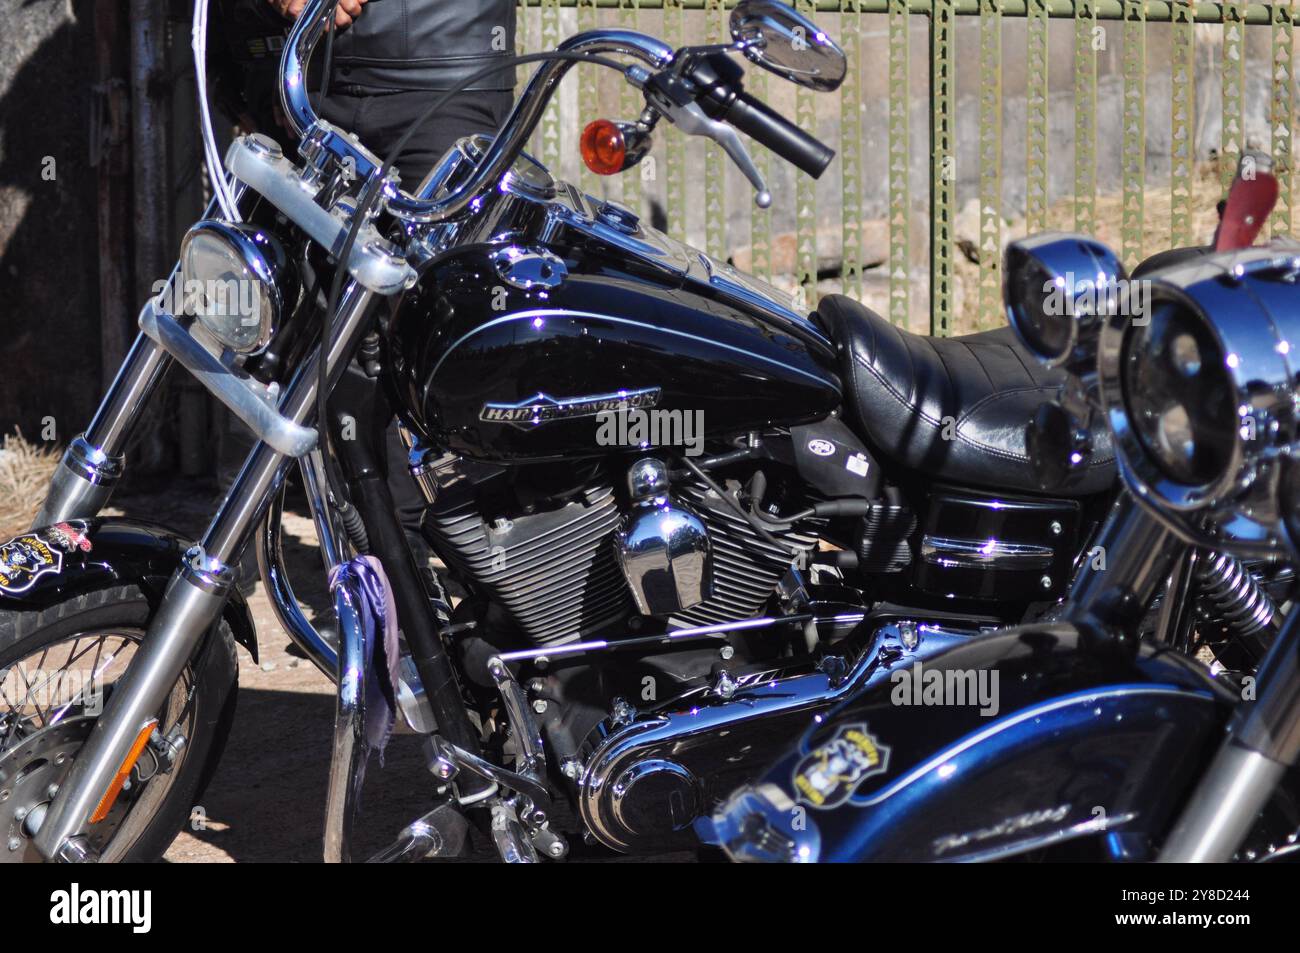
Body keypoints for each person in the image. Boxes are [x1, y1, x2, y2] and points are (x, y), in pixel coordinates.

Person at [212, 0, 518, 567]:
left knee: (447, 324)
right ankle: (394, 568)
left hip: (443, 65)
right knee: (327, 329)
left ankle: (484, 565)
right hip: (303, 68)